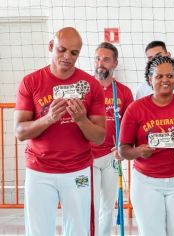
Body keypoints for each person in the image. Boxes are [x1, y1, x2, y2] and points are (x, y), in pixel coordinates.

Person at [14, 27, 106, 236]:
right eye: (62, 50)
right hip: (39, 169)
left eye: (73, 53)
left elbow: (99, 137)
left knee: (79, 231)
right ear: (50, 47)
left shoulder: (91, 85)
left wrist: (81, 120)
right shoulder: (31, 82)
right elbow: (20, 131)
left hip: (78, 169)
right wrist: (49, 118)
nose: (67, 57)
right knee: (38, 232)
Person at [119, 56, 174, 236]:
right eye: (159, 76)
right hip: (146, 182)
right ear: (149, 80)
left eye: (170, 75)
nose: (165, 80)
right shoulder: (136, 109)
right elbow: (124, 149)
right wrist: (138, 151)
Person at [92, 42, 133, 236]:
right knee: (90, 205)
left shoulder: (124, 92)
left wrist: (124, 147)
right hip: (88, 157)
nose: (100, 63)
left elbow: (130, 125)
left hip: (112, 157)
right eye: (98, 58)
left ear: (115, 63)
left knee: (107, 206)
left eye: (106, 59)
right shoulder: (86, 88)